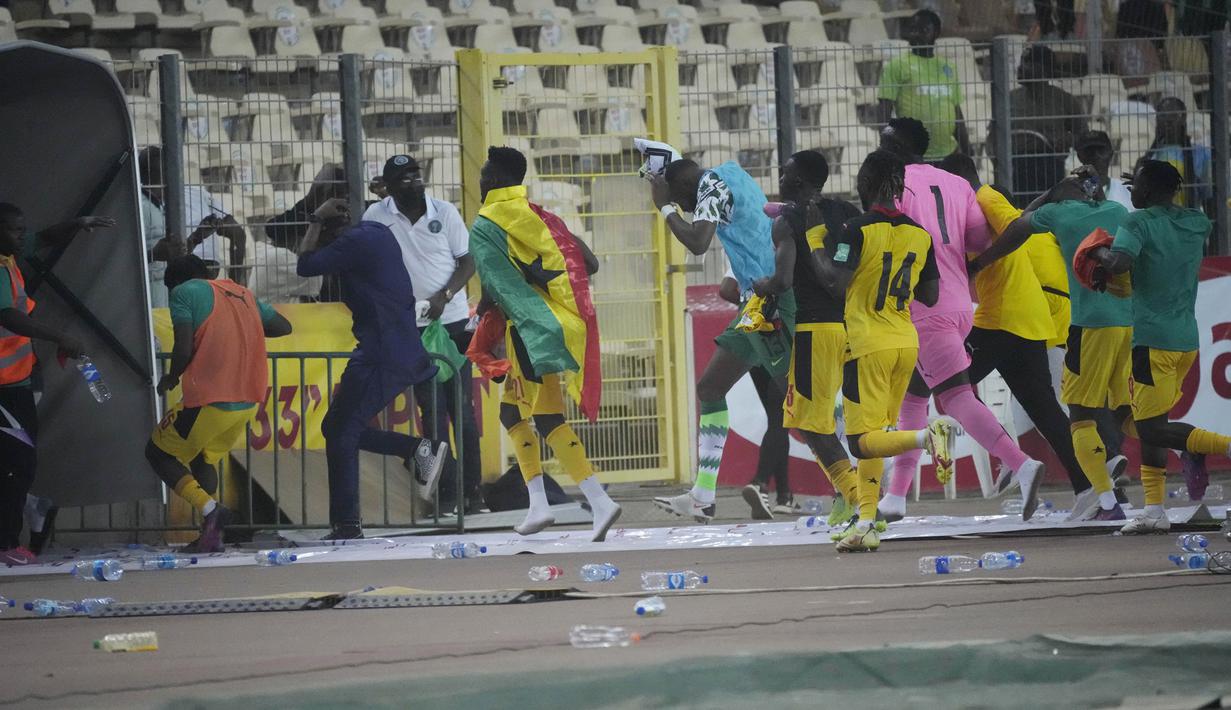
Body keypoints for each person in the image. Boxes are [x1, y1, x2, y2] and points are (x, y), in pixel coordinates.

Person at [876, 118, 1047, 523]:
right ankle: (896, 496)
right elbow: (976, 241)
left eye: (885, 142)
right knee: (914, 397)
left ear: (900, 147)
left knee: (955, 397)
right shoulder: (955, 183)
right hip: (959, 302)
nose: (880, 148)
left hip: (923, 304)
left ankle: (1021, 464)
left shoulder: (896, 185)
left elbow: (886, 239)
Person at [943, 154, 1123, 521]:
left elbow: (1019, 226)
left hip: (1003, 316)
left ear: (958, 179)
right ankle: (1093, 490)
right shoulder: (977, 203)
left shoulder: (986, 198)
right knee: (1045, 409)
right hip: (1026, 317)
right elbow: (1026, 214)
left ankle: (1015, 463)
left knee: (948, 385)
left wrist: (979, 262)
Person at [469, 146, 621, 541]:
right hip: (548, 326)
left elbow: (496, 283)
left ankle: (598, 500)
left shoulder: (489, 223)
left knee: (548, 417)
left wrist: (486, 319)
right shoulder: (540, 217)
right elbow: (589, 263)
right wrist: (543, 278)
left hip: (529, 331)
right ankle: (538, 504)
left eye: (486, 176)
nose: (482, 181)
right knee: (511, 415)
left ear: (498, 181)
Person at [807, 150, 950, 552]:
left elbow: (834, 281)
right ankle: (867, 522)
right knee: (876, 434)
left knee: (859, 442)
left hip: (867, 343)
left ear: (864, 185)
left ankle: (927, 435)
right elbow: (931, 293)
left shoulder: (856, 229)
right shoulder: (919, 234)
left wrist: (816, 240)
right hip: (904, 342)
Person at [646, 155, 796, 522]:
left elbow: (698, 243)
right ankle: (703, 495)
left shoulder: (708, 186)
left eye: (681, 200)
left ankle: (859, 484)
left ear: (684, 188)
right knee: (711, 387)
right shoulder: (729, 172)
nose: (684, 207)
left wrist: (664, 207)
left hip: (772, 301)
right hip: (755, 304)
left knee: (799, 402)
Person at [296, 198, 451, 540]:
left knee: (341, 432)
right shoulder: (378, 234)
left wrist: (316, 221)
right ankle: (415, 449)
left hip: (381, 353)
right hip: (392, 348)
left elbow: (305, 265)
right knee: (336, 426)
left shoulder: (354, 242)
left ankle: (347, 524)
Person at [1092, 160, 1231, 533]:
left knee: (1148, 429)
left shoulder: (1136, 223)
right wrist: (1149, 189)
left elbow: (1119, 263)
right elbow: (1165, 211)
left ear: (1148, 191)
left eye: (1135, 185)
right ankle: (1154, 510)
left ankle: (1217, 445)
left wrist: (1096, 253)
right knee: (1146, 420)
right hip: (1186, 339)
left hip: (1151, 340)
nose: (1130, 190)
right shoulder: (1196, 222)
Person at [145, 255, 292, 552]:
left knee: (158, 453)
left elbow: (183, 346)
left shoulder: (184, 292)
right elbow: (283, 326)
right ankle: (210, 535)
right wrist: (241, 325)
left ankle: (212, 510)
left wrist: (171, 378)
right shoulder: (241, 292)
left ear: (176, 281)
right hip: (248, 399)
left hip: (210, 397)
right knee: (204, 458)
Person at [748, 151, 863, 526]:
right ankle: (847, 497)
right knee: (818, 420)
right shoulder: (845, 213)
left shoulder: (787, 221)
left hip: (814, 330)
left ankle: (857, 497)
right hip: (850, 326)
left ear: (796, 181)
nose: (779, 178)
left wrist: (760, 285)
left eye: (783, 172)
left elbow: (781, 281)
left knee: (813, 425)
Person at [363, 154, 483, 514]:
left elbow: (467, 261)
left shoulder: (444, 212)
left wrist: (443, 297)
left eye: (417, 174)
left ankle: (473, 494)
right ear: (388, 185)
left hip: (452, 322)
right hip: (409, 325)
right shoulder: (376, 217)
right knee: (431, 411)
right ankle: (446, 493)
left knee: (462, 409)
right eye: (404, 177)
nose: (414, 181)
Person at [0, 203, 107, 565]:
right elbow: (10, 318)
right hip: (4, 388)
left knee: (15, 461)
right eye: (14, 230)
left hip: (17, 381)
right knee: (18, 463)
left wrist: (77, 223)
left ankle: (28, 513)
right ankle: (7, 541)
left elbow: (42, 238)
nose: (21, 237)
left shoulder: (9, 258)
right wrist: (59, 337)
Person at [720, 269, 792, 518]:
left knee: (777, 417)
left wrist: (755, 305)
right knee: (781, 417)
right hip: (780, 340)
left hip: (754, 339)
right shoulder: (780, 253)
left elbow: (727, 289)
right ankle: (760, 482)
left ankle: (785, 495)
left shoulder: (743, 256)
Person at [138, 146, 247, 289]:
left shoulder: (137, 204)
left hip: (177, 270)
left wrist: (197, 238)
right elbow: (238, 234)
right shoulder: (196, 192)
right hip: (204, 266)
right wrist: (236, 286)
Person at [997, 45, 1088, 204]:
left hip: (1050, 169)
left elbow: (1083, 136)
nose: (1020, 67)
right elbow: (994, 135)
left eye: (1028, 62)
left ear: (1044, 69)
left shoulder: (1064, 100)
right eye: (1022, 62)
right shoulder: (1008, 100)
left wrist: (1068, 140)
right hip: (1016, 169)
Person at [876, 9, 970, 163]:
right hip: (913, 155)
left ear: (936, 32)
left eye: (923, 30)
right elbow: (884, 110)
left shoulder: (948, 67)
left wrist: (967, 150)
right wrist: (889, 148)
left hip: (948, 154)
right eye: (913, 29)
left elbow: (956, 113)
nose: (916, 34)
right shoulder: (897, 65)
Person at [1142, 97, 1214, 217]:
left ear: (1184, 119)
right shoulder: (1150, 157)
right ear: (1157, 120)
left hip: (1188, 225)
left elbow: (1208, 197)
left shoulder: (1201, 154)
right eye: (1163, 116)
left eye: (1174, 115)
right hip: (1157, 227)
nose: (1168, 120)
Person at [1076, 130, 1134, 213]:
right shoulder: (1069, 194)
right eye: (1090, 151)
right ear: (1080, 156)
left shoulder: (1127, 192)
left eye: (1101, 151)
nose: (1096, 156)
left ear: (1111, 155)